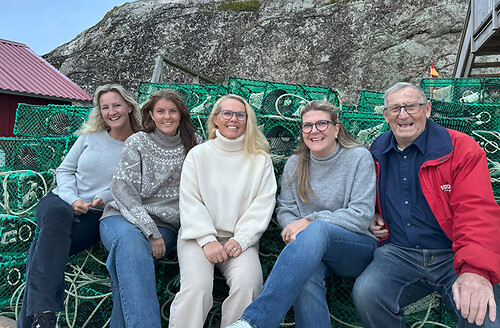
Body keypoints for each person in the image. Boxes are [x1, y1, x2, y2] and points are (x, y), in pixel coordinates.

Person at [352, 82, 500, 327]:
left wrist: (475, 270)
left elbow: (476, 211)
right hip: (398, 253)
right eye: (395, 109)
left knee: (483, 316)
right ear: (385, 115)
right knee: (368, 293)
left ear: (428, 109)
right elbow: (358, 192)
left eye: (411, 106)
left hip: (453, 253)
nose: (403, 115)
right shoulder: (376, 152)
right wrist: (369, 213)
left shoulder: (460, 149)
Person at [227, 100, 378, 328]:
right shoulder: (296, 163)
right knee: (304, 277)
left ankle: (255, 322)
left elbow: (361, 215)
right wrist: (294, 230)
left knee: (316, 229)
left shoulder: (357, 157)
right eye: (307, 126)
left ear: (336, 128)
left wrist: (309, 222)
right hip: (310, 248)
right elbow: (285, 209)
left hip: (354, 247)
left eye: (321, 124)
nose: (313, 131)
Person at [18, 84, 142, 328]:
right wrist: (72, 199)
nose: (111, 111)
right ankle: (45, 314)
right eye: (105, 107)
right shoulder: (90, 137)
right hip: (61, 200)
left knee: (41, 249)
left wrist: (103, 198)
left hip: (96, 212)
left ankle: (37, 319)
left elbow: (135, 184)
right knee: (56, 215)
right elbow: (64, 170)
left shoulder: (139, 144)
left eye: (117, 105)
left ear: (129, 107)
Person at [168, 94, 277, 328]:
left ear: (248, 121)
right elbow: (190, 200)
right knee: (197, 288)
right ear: (215, 119)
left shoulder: (261, 160)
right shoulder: (198, 155)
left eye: (240, 115)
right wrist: (207, 239)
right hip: (198, 238)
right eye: (226, 113)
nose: (233, 119)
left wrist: (242, 239)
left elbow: (262, 204)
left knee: (249, 285)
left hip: (238, 240)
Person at [99, 89, 199, 328]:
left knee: (123, 260)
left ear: (181, 114)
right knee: (129, 242)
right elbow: (123, 190)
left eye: (172, 111)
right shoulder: (138, 141)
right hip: (121, 217)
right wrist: (150, 231)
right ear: (151, 115)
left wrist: (157, 230)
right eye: (160, 111)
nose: (167, 117)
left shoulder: (194, 143)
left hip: (166, 225)